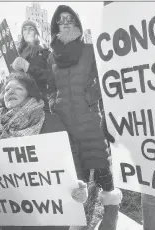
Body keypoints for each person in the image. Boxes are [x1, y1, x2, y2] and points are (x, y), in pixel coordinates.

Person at [48, 5, 122, 230]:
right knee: (76, 178)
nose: (66, 22)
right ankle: (80, 222)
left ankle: (111, 219)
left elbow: (107, 78)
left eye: (70, 18)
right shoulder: (52, 55)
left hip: (90, 121)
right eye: (61, 20)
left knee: (101, 170)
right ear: (56, 25)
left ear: (77, 22)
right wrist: (54, 102)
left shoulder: (90, 49)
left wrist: (93, 95)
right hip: (65, 125)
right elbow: (50, 86)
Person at [0, 71, 88, 230]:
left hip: (49, 209)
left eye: (18, 88)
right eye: (7, 90)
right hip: (14, 210)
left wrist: (77, 184)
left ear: (29, 93)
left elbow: (70, 155)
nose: (11, 92)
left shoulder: (49, 120)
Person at [11, 20, 52, 112]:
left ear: (36, 33)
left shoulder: (45, 53)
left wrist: (28, 68)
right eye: (24, 29)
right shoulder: (17, 54)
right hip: (19, 102)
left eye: (31, 29)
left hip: (38, 101)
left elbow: (50, 77)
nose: (28, 31)